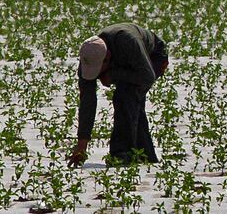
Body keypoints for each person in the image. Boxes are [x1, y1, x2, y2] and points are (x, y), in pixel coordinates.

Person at [68, 23, 168, 166]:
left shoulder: (128, 42)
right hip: (126, 61)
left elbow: (147, 76)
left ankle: (122, 154)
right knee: (134, 107)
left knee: (126, 96)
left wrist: (113, 75)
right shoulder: (89, 56)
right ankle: (146, 156)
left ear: (108, 57)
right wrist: (82, 144)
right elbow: (87, 101)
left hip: (153, 56)